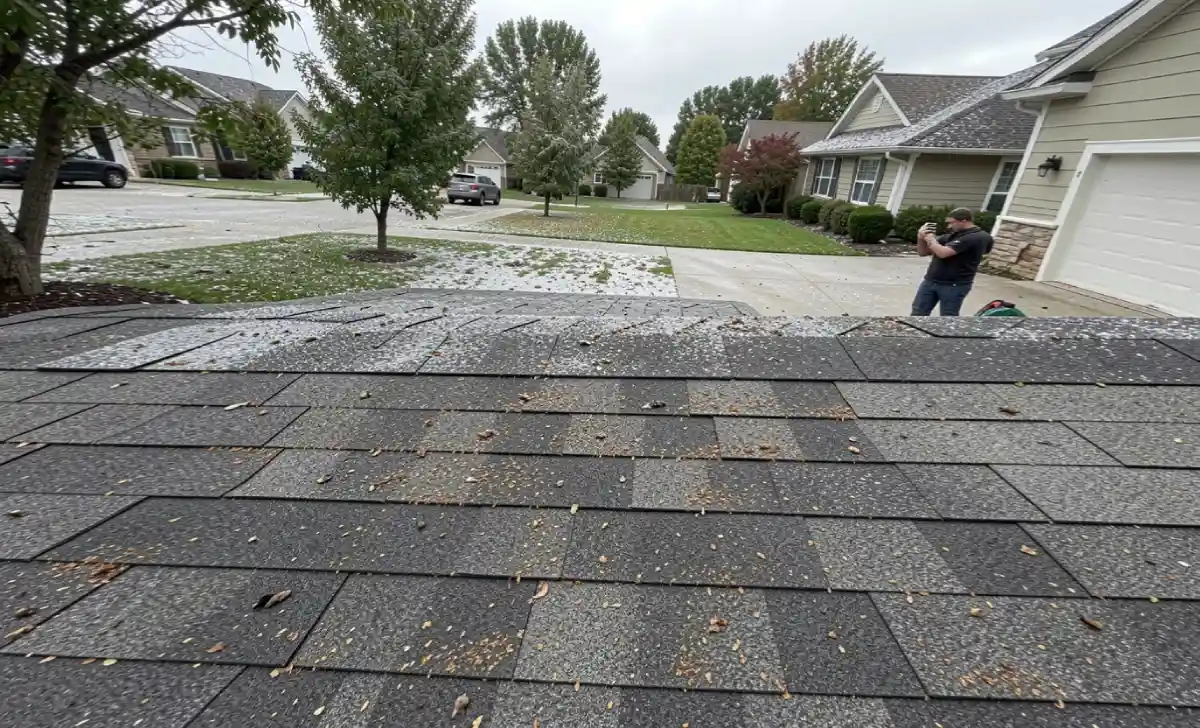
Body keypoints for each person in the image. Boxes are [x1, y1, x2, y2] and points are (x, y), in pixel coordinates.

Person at [911, 207, 994, 317]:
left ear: (964, 220)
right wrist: (921, 237)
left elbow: (943, 253)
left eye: (951, 223)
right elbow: (923, 252)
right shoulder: (953, 235)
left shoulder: (977, 237)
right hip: (931, 281)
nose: (949, 226)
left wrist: (930, 239)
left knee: (948, 318)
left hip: (955, 285)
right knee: (918, 313)